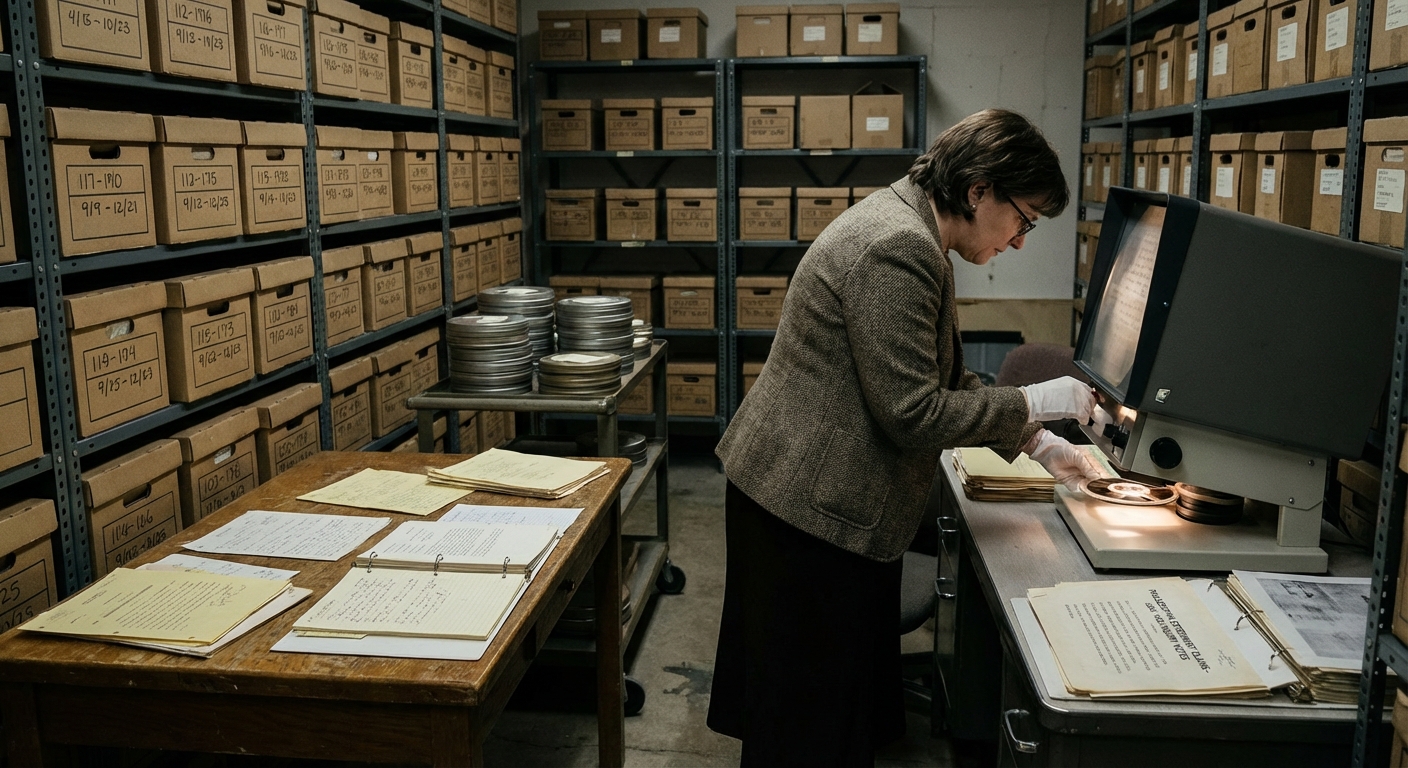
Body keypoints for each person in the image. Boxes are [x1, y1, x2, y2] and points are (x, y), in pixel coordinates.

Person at [707, 109, 1106, 767]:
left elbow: (940, 378)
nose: (1020, 242)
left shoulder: (915, 228)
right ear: (979, 189)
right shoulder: (898, 246)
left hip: (811, 495)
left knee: (824, 723)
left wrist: (1036, 440)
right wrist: (1034, 399)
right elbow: (912, 413)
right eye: (1024, 219)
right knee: (806, 733)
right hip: (808, 511)